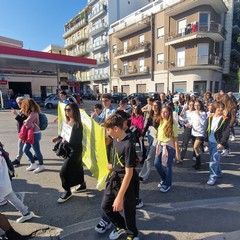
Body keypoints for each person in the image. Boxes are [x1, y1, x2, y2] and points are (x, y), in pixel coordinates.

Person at [101, 114, 139, 240]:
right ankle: (121, 226)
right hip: (114, 179)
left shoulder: (128, 145)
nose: (107, 132)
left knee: (129, 212)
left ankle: (132, 235)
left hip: (126, 183)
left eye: (108, 129)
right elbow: (117, 160)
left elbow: (129, 173)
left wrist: (119, 197)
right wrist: (111, 166)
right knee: (106, 207)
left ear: (116, 129)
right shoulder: (115, 140)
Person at [52, 102, 86, 203]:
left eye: (69, 110)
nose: (66, 112)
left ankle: (67, 191)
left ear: (74, 111)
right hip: (68, 149)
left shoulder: (77, 124)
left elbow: (76, 140)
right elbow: (64, 134)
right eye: (66, 110)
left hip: (75, 150)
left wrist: (64, 141)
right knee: (78, 167)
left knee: (63, 172)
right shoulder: (68, 121)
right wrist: (58, 138)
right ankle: (82, 184)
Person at [0, 143, 33, 223]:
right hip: (5, 182)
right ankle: (26, 213)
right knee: (11, 197)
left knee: (11, 197)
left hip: (2, 184)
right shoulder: (1, 151)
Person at [154, 106, 180, 193]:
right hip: (160, 145)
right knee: (156, 163)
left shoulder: (173, 124)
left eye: (165, 112)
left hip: (169, 147)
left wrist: (177, 153)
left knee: (168, 166)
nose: (163, 114)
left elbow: (176, 139)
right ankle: (164, 178)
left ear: (169, 113)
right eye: (162, 112)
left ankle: (167, 184)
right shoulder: (161, 121)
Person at [205, 101, 229, 185]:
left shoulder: (224, 119)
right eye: (219, 107)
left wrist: (222, 143)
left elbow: (226, 132)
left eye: (222, 107)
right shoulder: (210, 117)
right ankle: (218, 172)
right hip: (210, 142)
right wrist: (206, 140)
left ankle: (212, 177)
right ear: (215, 108)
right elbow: (206, 129)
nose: (221, 109)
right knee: (214, 159)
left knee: (213, 160)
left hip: (218, 143)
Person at [139, 100, 161, 182]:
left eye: (156, 105)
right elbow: (146, 127)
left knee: (149, 157)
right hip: (151, 138)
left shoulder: (161, 116)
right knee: (149, 156)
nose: (154, 107)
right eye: (153, 105)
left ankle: (144, 175)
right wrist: (142, 135)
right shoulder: (151, 116)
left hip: (158, 139)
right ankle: (144, 174)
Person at [20, 98, 44, 174]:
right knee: (25, 149)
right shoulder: (32, 113)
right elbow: (28, 123)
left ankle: (41, 165)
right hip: (32, 134)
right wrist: (26, 121)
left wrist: (25, 121)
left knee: (37, 151)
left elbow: (27, 124)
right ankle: (33, 164)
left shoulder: (33, 113)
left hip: (35, 134)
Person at [188, 100, 207, 170]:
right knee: (195, 148)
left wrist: (199, 115)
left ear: (200, 105)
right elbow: (191, 122)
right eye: (195, 105)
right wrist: (188, 124)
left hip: (200, 133)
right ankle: (197, 162)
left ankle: (198, 162)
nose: (196, 107)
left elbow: (203, 123)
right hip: (194, 132)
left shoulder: (203, 113)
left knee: (195, 147)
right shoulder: (193, 113)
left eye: (198, 105)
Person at [11, 97, 28, 167]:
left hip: (25, 131)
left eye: (20, 103)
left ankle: (18, 160)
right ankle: (36, 155)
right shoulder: (22, 109)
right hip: (22, 130)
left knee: (20, 145)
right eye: (18, 103)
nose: (19, 104)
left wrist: (16, 114)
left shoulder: (26, 110)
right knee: (32, 145)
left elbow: (23, 120)